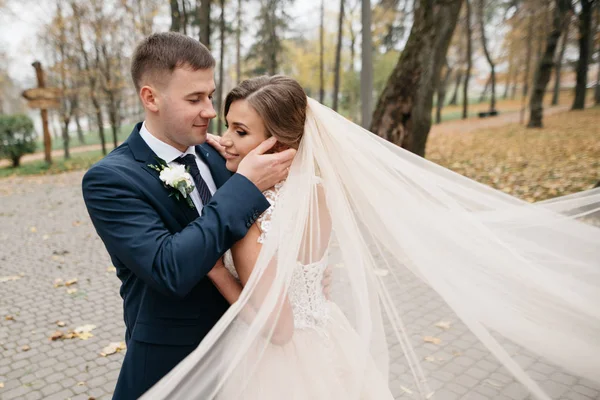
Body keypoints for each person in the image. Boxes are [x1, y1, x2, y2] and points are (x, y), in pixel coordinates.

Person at [141, 75, 600, 400]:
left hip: (281, 367)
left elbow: (278, 330)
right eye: (228, 127)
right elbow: (307, 276)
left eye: (239, 131)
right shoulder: (318, 192)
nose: (227, 141)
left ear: (277, 145)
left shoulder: (254, 218)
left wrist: (218, 271)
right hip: (329, 339)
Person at [81, 33, 295, 400]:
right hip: (173, 365)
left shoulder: (221, 155)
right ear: (151, 98)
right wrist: (244, 186)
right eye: (194, 99)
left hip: (249, 355)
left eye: (210, 95)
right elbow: (169, 268)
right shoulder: (110, 179)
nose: (210, 111)